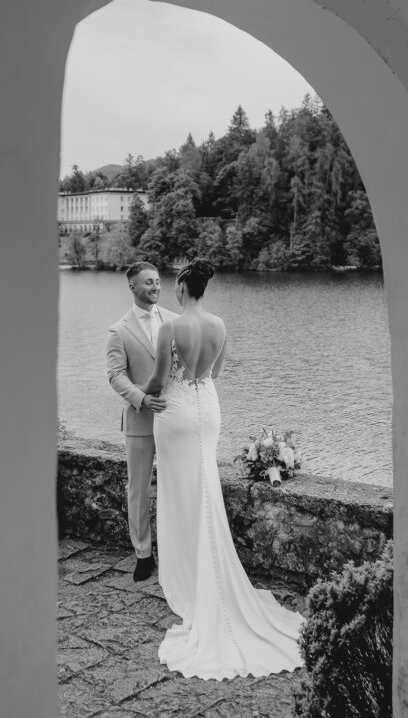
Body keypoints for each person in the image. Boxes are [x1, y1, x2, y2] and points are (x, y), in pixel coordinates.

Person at [140, 257, 305, 680]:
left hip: (176, 414)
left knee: (180, 493)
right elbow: (215, 372)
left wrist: (140, 393)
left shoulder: (170, 327)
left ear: (182, 287)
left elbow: (159, 380)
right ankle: (206, 571)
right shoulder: (220, 325)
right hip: (208, 410)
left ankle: (187, 578)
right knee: (205, 485)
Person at [106, 261, 177, 582]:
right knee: (138, 490)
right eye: (148, 282)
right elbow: (115, 375)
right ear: (132, 286)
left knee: (177, 485)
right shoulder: (118, 330)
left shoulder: (175, 321)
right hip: (139, 420)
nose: (155, 286)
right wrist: (141, 398)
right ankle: (143, 554)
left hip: (173, 417)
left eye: (158, 281)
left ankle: (176, 551)